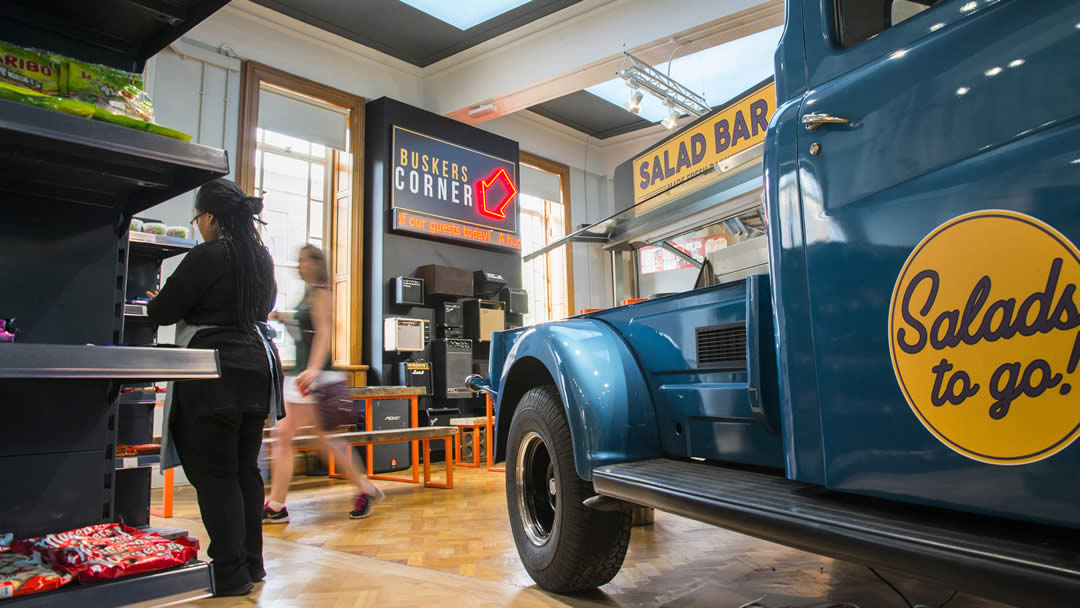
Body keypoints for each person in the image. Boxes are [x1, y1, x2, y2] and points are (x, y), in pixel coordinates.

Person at [147, 179, 283, 597]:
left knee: (215, 473)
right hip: (257, 368)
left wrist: (159, 296)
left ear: (208, 217)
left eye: (197, 218)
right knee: (244, 469)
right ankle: (251, 564)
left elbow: (162, 310)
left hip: (213, 370)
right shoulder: (260, 256)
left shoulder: (208, 254)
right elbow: (263, 307)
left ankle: (229, 572)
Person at [263, 244, 384, 523]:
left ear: (316, 263)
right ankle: (364, 488)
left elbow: (324, 333)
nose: (299, 265)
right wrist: (284, 318)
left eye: (304, 260)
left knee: (289, 437)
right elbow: (309, 329)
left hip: (311, 378)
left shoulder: (321, 294)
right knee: (318, 439)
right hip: (306, 376)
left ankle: (277, 505)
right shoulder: (310, 294)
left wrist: (314, 369)